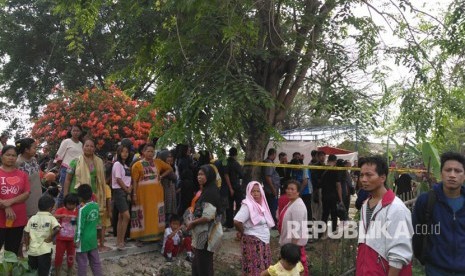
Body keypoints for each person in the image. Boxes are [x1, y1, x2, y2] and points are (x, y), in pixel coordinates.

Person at [356, 156, 413, 275]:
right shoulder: (366, 204)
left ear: (382, 178)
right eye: (361, 175)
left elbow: (399, 254)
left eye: (369, 175)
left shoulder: (396, 208)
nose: (364, 179)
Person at [412, 152, 465, 275]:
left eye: (458, 171)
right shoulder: (426, 201)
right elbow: (418, 234)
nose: (452, 175)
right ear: (441, 173)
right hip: (435, 269)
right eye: (448, 170)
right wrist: (425, 258)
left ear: (464, 175)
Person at [131, 143, 173, 242]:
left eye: (152, 151)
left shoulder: (158, 162)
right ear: (143, 152)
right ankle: (140, 238)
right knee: (142, 213)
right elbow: (134, 181)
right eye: (148, 151)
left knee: (155, 213)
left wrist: (161, 176)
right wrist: (134, 194)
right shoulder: (137, 165)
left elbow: (170, 169)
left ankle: (156, 236)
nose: (150, 153)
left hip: (156, 193)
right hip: (142, 193)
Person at [187, 164, 222, 276]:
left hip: (206, 236)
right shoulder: (207, 190)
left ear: (209, 176)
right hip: (202, 235)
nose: (199, 177)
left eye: (202, 174)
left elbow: (208, 216)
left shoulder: (210, 192)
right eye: (198, 174)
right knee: (198, 265)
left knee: (203, 267)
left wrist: (192, 223)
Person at [234, 181, 275, 276]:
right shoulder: (248, 205)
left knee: (262, 268)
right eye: (253, 191)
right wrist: (242, 231)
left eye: (258, 191)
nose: (256, 193)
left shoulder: (260, 205)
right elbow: (237, 221)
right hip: (253, 242)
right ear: (248, 192)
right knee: (255, 269)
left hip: (262, 241)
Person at [0, 145, 31, 256]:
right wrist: (6, 206)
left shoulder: (22, 175)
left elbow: (27, 193)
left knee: (11, 253)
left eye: (14, 155)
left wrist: (10, 202)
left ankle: (8, 273)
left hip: (17, 219)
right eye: (8, 155)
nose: (11, 158)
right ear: (2, 156)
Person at [24, 195, 61, 276]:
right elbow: (57, 228)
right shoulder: (51, 218)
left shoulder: (32, 218)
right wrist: (51, 236)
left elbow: (26, 232)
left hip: (32, 250)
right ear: (50, 208)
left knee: (32, 272)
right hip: (45, 251)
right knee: (44, 272)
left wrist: (27, 245)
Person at [278, 179, 309, 276]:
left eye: (292, 189)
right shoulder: (291, 202)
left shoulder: (298, 206)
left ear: (298, 192)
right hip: (288, 247)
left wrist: (292, 249)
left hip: (293, 248)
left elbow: (297, 229)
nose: (289, 191)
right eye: (288, 189)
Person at [75, 184, 103, 276]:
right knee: (95, 262)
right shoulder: (96, 206)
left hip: (83, 241)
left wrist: (77, 240)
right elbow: (98, 222)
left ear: (80, 197)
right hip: (93, 239)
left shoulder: (82, 209)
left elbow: (80, 227)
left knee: (82, 263)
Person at [54, 125, 83, 207]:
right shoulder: (66, 141)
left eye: (77, 131)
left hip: (76, 171)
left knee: (73, 191)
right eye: (74, 130)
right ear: (71, 132)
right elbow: (58, 156)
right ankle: (59, 211)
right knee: (64, 191)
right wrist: (61, 169)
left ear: (80, 132)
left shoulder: (81, 144)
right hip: (66, 169)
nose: (76, 132)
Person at [111, 144, 132, 250]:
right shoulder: (117, 164)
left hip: (126, 192)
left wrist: (129, 190)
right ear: (119, 153)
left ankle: (119, 240)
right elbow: (118, 179)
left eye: (127, 152)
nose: (125, 153)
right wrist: (127, 190)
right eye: (123, 151)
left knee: (121, 217)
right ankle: (121, 241)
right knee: (127, 216)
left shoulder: (126, 166)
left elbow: (130, 180)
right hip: (119, 191)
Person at [16, 138, 42, 218]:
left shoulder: (34, 159)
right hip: (27, 198)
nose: (36, 150)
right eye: (34, 148)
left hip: (37, 194)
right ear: (26, 150)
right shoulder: (18, 163)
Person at [54, 193, 79, 276]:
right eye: (69, 204)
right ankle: (58, 273)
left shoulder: (77, 212)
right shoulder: (61, 210)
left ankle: (70, 272)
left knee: (71, 256)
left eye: (73, 204)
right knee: (58, 256)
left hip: (72, 239)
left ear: (76, 204)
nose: (71, 206)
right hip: (61, 238)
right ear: (65, 203)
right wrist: (62, 216)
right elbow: (54, 216)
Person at [320, 154, 343, 234]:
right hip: (333, 196)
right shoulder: (335, 169)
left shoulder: (323, 168)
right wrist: (341, 199)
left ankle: (320, 233)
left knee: (325, 214)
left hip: (324, 195)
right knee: (334, 214)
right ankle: (333, 231)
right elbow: (338, 186)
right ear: (335, 161)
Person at [157, 149, 178, 224]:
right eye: (168, 157)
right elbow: (174, 177)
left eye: (171, 156)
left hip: (169, 189)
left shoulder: (169, 167)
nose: (170, 158)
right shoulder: (163, 167)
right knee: (166, 210)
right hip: (165, 190)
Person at [262, 148, 281, 225]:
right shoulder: (268, 163)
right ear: (273, 154)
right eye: (275, 155)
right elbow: (268, 177)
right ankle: (272, 223)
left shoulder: (269, 162)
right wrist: (273, 189)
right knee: (272, 207)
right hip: (270, 190)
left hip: (271, 189)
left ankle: (272, 221)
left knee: (273, 206)